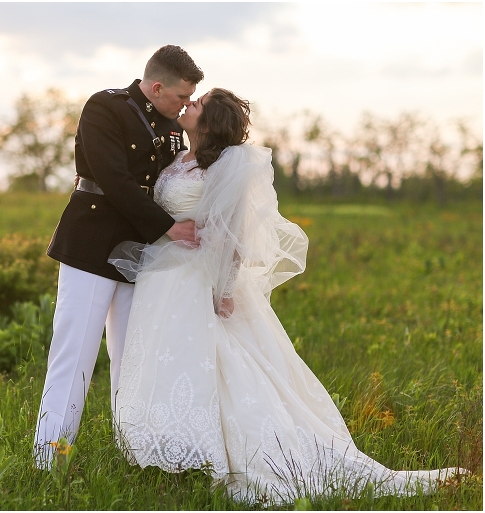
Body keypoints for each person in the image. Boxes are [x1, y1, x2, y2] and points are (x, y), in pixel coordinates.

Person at [109, 88, 462, 504]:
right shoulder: (176, 157)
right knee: (168, 357)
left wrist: (221, 288)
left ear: (211, 122)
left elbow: (233, 233)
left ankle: (232, 453)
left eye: (198, 103)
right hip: (164, 275)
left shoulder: (227, 166)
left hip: (198, 277)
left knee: (222, 364)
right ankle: (173, 446)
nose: (190, 105)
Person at [33, 45, 204, 469]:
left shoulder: (170, 125)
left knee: (132, 359)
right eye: (181, 97)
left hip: (140, 253)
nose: (184, 106)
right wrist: (168, 227)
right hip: (92, 244)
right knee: (74, 355)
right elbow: (114, 179)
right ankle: (49, 459)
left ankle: (134, 455)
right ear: (157, 85)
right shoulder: (105, 107)